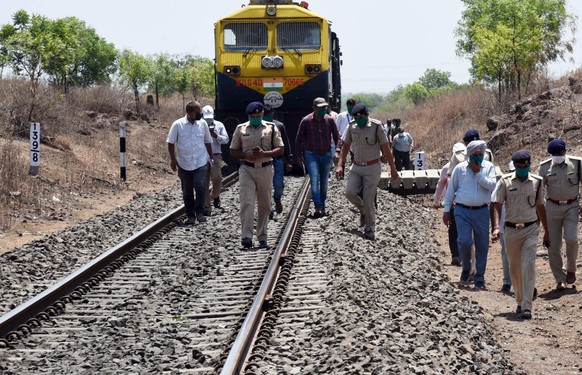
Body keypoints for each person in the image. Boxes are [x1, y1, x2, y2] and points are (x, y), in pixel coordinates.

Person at [491, 150, 549, 320]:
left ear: (530, 165)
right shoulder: (505, 182)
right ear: (514, 166)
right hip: (510, 230)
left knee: (529, 266)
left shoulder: (537, 182)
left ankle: (527, 306)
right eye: (519, 166)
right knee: (515, 268)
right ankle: (519, 299)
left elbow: (540, 207)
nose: (522, 169)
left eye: (525, 166)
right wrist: (495, 226)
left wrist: (547, 232)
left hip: (531, 229)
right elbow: (497, 204)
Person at [335, 103, 399, 240]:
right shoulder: (352, 126)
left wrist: (393, 170)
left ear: (367, 115)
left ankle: (370, 229)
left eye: (361, 118)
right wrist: (340, 165)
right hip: (357, 167)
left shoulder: (376, 127)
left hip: (372, 167)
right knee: (350, 193)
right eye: (356, 118)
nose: (358, 120)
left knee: (368, 199)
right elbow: (345, 147)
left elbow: (386, 149)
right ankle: (363, 210)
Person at [443, 140, 496, 289]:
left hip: (481, 211)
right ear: (469, 155)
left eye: (480, 154)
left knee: (482, 245)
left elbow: (493, 186)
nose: (478, 157)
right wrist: (446, 210)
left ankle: (479, 276)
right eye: (475, 154)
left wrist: (478, 174)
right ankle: (466, 268)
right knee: (464, 241)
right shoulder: (460, 169)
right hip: (462, 210)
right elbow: (451, 191)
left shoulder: (489, 168)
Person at [230, 102, 283, 248]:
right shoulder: (240, 129)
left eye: (258, 116)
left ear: (262, 115)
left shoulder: (271, 128)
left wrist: (264, 153)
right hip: (247, 169)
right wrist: (245, 155)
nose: (256, 118)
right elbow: (233, 150)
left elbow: (280, 149)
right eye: (253, 116)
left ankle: (262, 236)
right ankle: (246, 236)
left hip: (266, 169)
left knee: (265, 204)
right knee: (247, 202)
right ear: (248, 116)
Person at [537, 139, 581, 290]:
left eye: (560, 153)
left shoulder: (577, 163)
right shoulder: (544, 167)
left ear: (565, 151)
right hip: (552, 207)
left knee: (572, 239)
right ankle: (559, 278)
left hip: (571, 206)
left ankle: (571, 269)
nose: (558, 156)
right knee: (553, 245)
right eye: (554, 154)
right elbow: (538, 191)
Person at [167, 101, 213, 225]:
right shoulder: (178, 125)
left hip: (200, 161)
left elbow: (208, 141)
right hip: (184, 163)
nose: (201, 115)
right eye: (198, 113)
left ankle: (200, 212)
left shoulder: (202, 124)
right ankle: (190, 215)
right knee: (187, 191)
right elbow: (171, 143)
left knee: (199, 186)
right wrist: (173, 159)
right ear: (190, 112)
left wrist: (211, 158)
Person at [296, 97, 340, 218]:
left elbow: (337, 138)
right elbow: (299, 139)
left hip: (326, 155)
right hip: (311, 154)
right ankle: (318, 206)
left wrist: (337, 151)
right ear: (314, 108)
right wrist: (299, 156)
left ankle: (322, 202)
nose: (323, 110)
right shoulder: (306, 121)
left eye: (324, 108)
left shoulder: (330, 120)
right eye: (320, 108)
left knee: (324, 181)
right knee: (314, 180)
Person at [433, 142, 466, 266]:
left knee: (453, 229)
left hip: (453, 203)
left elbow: (440, 184)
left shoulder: (447, 167)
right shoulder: (467, 166)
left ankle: (456, 255)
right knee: (460, 229)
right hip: (457, 202)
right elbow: (441, 184)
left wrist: (436, 201)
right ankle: (460, 255)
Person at [263, 104, 293, 216]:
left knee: (279, 185)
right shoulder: (258, 127)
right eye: (264, 114)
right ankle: (269, 208)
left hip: (277, 160)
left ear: (272, 114)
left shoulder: (279, 125)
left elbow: (285, 142)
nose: (266, 116)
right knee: (266, 186)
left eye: (268, 114)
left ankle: (277, 198)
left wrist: (289, 160)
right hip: (263, 161)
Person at [202, 105, 229, 215]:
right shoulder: (199, 125)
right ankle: (207, 208)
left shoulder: (219, 125)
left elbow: (226, 140)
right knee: (204, 182)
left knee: (217, 178)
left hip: (216, 155)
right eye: (206, 118)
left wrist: (216, 136)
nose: (208, 120)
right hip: (202, 156)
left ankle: (215, 195)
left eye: (210, 118)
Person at [497, 161, 516, 293]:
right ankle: (507, 281)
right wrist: (496, 226)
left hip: (526, 225)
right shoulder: (503, 184)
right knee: (506, 253)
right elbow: (496, 205)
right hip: (506, 224)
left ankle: (525, 283)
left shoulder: (532, 183)